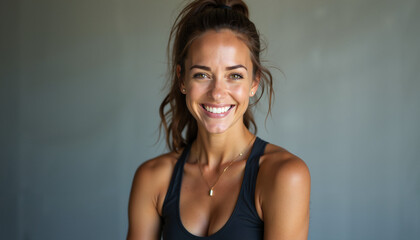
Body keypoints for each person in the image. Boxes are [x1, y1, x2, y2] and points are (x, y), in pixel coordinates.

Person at [127, 0, 311, 239]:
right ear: (182, 80)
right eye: (202, 74)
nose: (217, 93)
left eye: (234, 75)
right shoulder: (152, 178)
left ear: (254, 82)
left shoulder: (284, 175)